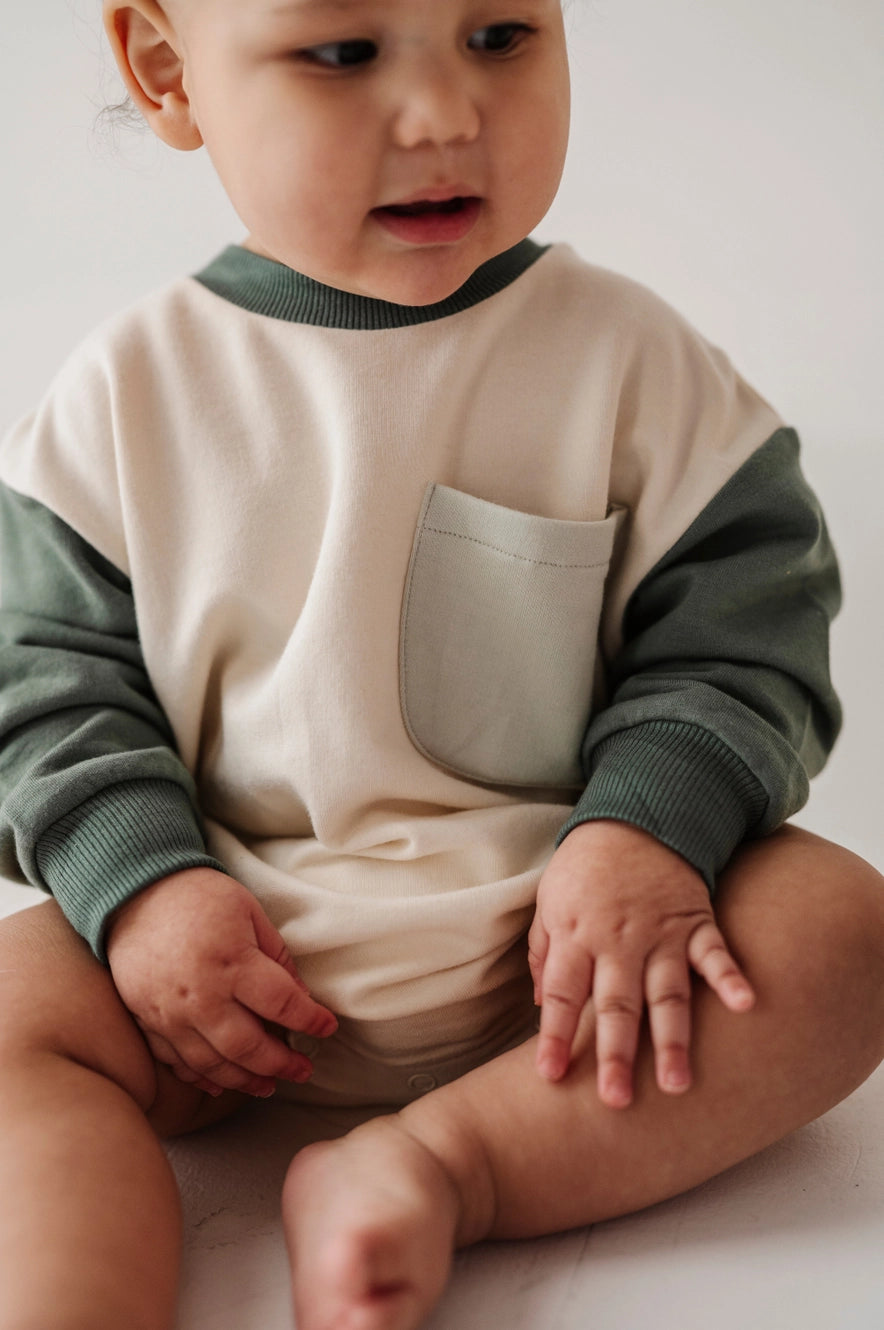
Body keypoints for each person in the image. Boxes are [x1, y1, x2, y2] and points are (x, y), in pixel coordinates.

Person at [0, 1, 882, 1327]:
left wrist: (649, 831)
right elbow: (42, 686)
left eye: (502, 35)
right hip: (229, 957)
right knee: (12, 1017)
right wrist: (142, 889)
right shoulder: (126, 392)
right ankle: (75, 1299)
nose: (446, 116)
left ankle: (444, 1162)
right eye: (345, 54)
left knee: (844, 934)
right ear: (170, 73)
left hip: (568, 959)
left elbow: (745, 630)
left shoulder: (629, 359)